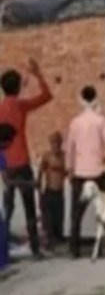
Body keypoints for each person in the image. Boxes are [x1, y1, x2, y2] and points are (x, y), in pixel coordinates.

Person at [0, 59, 52, 259]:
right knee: (30, 207)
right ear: (17, 87)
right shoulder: (20, 106)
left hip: (5, 164)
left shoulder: (2, 108)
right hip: (22, 161)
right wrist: (37, 74)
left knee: (7, 209)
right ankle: (36, 250)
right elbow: (47, 96)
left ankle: (3, 250)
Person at [66, 85, 105, 259]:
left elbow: (70, 149)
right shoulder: (100, 121)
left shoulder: (75, 122)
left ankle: (74, 250)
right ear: (96, 98)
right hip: (97, 173)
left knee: (76, 215)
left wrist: (70, 170)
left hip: (80, 174)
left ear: (80, 99)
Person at [36, 131, 67, 250]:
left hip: (60, 193)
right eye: (54, 143)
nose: (56, 145)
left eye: (58, 142)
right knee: (47, 220)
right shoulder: (47, 156)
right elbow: (40, 171)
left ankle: (58, 239)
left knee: (59, 218)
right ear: (51, 144)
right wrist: (39, 188)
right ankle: (48, 241)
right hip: (49, 192)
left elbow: (67, 172)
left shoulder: (64, 156)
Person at [0, 123, 15, 271]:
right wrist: (28, 184)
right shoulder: (1, 156)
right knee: (2, 230)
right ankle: (2, 263)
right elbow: (6, 180)